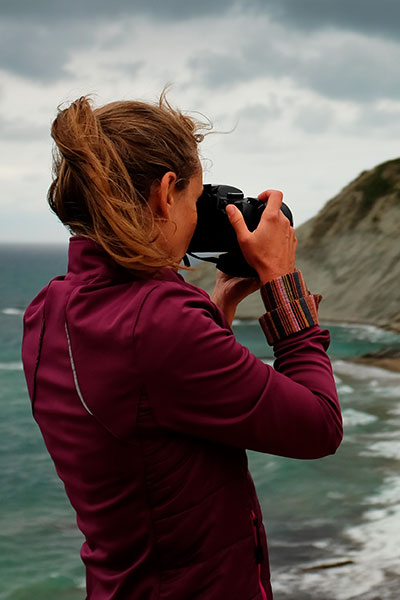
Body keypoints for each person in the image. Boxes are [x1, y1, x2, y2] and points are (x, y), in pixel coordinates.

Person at [22, 94, 343, 600]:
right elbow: (319, 427)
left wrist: (214, 310)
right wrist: (284, 289)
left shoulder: (47, 310)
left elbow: (146, 399)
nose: (198, 219)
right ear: (165, 194)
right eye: (196, 201)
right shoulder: (162, 322)